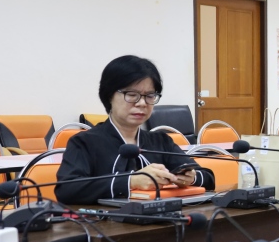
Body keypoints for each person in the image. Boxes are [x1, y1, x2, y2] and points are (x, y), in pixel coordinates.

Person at [55, 55, 214, 205]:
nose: (142, 103)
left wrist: (190, 177)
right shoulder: (84, 142)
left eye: (150, 95)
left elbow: (208, 177)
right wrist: (131, 181)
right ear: (109, 96)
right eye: (131, 95)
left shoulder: (160, 141)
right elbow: (67, 189)